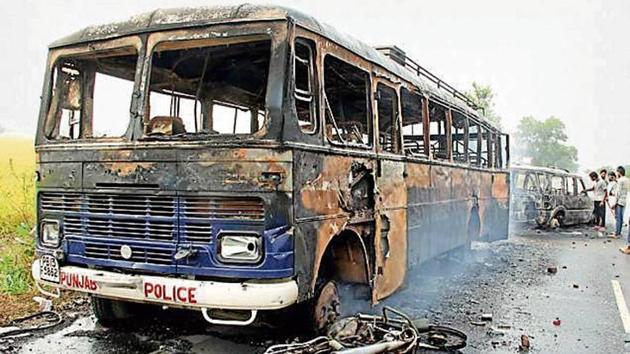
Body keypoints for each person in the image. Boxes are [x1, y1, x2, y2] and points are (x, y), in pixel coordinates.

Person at [616, 166, 630, 253]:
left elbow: (618, 192)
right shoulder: (627, 180)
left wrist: (615, 202)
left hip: (621, 201)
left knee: (619, 218)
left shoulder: (620, 180)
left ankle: (628, 246)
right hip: (625, 201)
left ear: (619, 172)